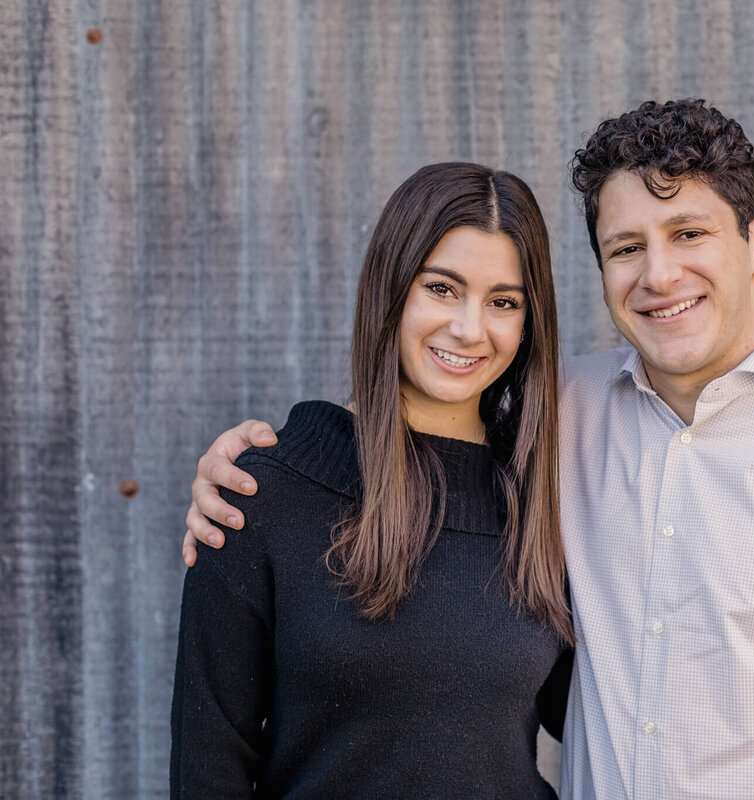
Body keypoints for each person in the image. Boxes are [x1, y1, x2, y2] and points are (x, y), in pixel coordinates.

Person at [184, 101, 754, 798]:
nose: (659, 274)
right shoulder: (560, 420)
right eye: (625, 248)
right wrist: (274, 460)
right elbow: (416, 426)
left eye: (689, 232)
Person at [171, 162, 574, 799]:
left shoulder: (547, 500)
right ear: (391, 288)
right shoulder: (264, 494)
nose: (470, 329)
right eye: (442, 289)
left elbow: (597, 719)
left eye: (503, 302)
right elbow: (209, 769)